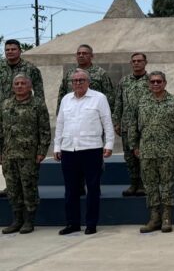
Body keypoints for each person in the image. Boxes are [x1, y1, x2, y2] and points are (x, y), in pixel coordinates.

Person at [53, 68, 115, 235]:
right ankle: (72, 223)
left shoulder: (99, 98)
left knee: (93, 188)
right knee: (71, 189)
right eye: (75, 81)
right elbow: (60, 125)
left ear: (88, 82)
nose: (78, 83)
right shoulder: (66, 99)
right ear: (71, 83)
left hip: (91, 149)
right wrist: (57, 147)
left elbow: (107, 122)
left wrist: (109, 144)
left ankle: (91, 223)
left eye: (81, 80)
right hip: (69, 150)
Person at [131, 71, 174, 233]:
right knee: (150, 185)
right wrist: (134, 145)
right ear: (148, 84)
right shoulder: (142, 102)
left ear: (165, 83)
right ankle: (154, 218)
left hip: (167, 151)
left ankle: (166, 217)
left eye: (159, 81)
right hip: (147, 151)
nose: (155, 84)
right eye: (152, 82)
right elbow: (133, 125)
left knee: (167, 185)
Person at [0, 74, 50, 234]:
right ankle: (17, 220)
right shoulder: (5, 104)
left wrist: (42, 152)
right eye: (17, 83)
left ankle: (29, 220)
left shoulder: (37, 104)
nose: (20, 86)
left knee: (29, 188)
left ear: (30, 86)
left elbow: (44, 130)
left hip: (29, 155)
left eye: (23, 83)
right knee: (13, 189)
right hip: (9, 155)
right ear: (13, 86)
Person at [0, 39, 45, 200]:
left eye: (13, 49)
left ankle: (29, 190)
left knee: (28, 164)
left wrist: (39, 110)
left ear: (20, 51)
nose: (10, 52)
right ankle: (10, 187)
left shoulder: (30, 69)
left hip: (25, 116)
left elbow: (39, 92)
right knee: (6, 157)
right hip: (4, 115)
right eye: (7, 49)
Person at [113, 52, 150, 197]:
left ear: (145, 62)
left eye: (139, 61)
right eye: (134, 61)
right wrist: (116, 121)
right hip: (127, 126)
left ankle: (143, 184)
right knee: (129, 157)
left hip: (145, 125)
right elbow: (118, 102)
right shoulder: (124, 81)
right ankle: (133, 183)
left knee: (144, 156)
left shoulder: (151, 80)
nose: (136, 63)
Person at [57, 44, 115, 115]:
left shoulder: (100, 73)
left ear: (91, 56)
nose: (81, 55)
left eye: (84, 53)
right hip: (72, 113)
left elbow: (109, 96)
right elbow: (62, 94)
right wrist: (59, 114)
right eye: (79, 53)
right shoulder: (70, 73)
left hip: (93, 113)